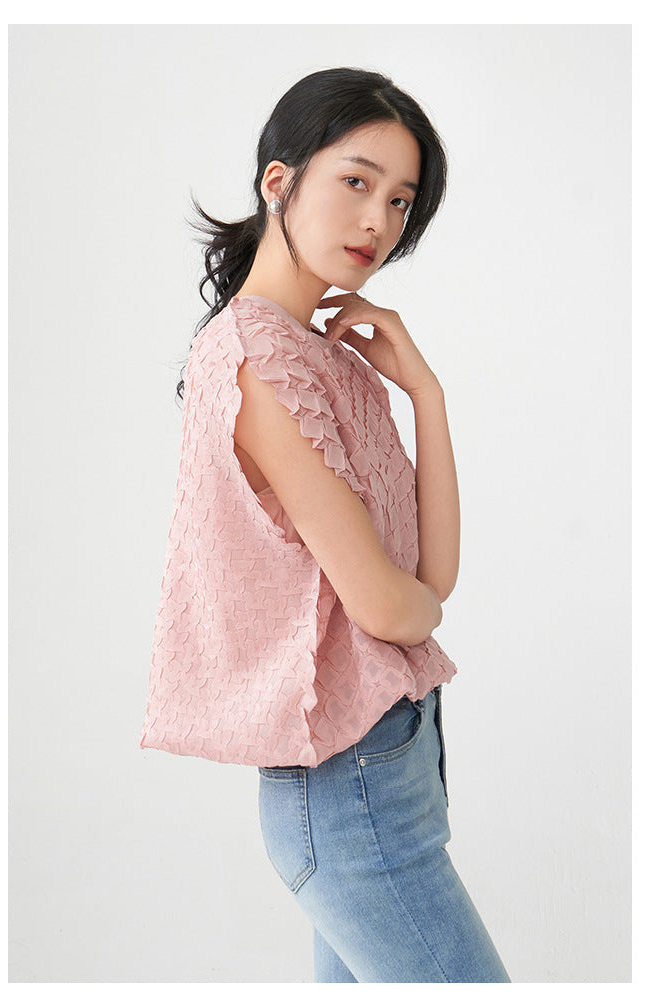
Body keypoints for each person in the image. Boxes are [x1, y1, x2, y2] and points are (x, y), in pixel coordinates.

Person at [139, 67, 511, 983]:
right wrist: (416, 610)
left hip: (392, 765)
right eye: (356, 181)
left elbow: (430, 575)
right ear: (280, 181)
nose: (378, 220)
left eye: (400, 199)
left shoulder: (326, 357)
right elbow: (392, 607)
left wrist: (425, 394)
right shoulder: (256, 355)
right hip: (351, 788)